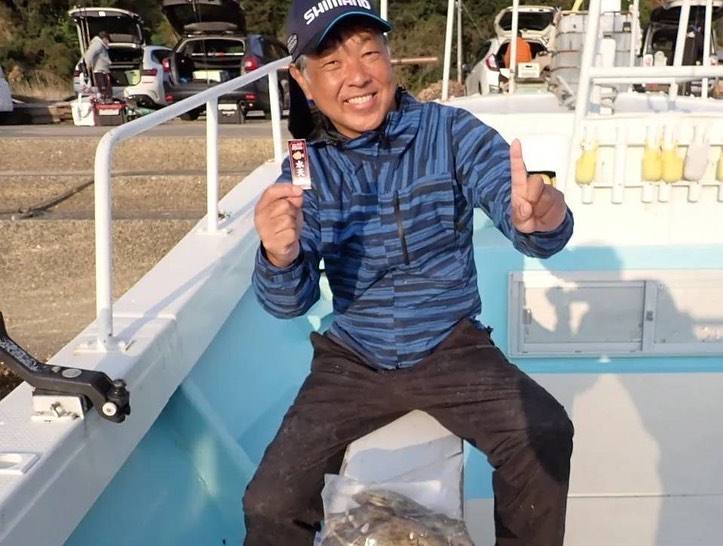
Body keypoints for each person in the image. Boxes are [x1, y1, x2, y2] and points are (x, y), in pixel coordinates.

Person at [246, 1, 575, 545]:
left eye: (370, 53)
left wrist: (543, 219)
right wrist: (278, 257)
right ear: (303, 81)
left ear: (390, 58)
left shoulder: (450, 131)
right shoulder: (305, 168)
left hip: (451, 344)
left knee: (544, 430)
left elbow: (517, 204)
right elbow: (289, 303)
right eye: (332, 63)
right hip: (354, 358)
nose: (358, 75)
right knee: (269, 503)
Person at [83, 30, 112, 102]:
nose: (108, 42)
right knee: (103, 91)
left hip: (104, 71)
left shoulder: (101, 45)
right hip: (100, 71)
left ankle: (106, 101)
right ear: (104, 39)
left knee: (108, 91)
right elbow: (89, 55)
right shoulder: (97, 44)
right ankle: (103, 102)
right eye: (108, 40)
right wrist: (86, 66)